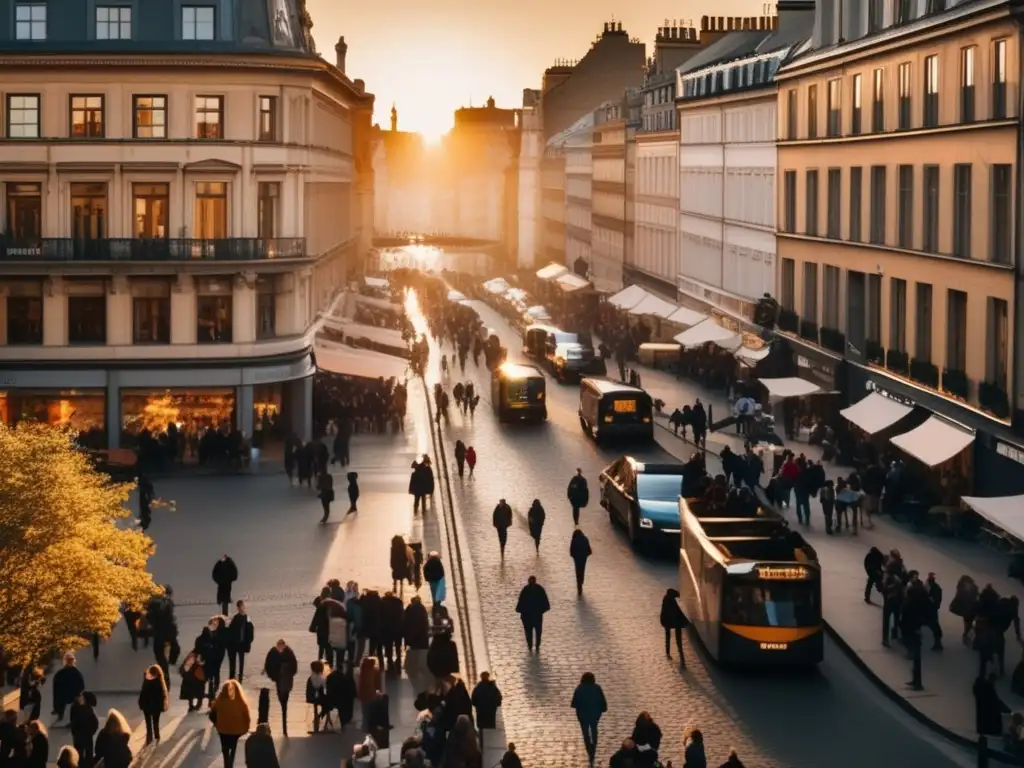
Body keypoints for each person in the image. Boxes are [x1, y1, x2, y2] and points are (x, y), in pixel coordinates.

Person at [211, 680, 251, 768]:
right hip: (236, 730)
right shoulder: (241, 702)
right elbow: (246, 715)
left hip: (223, 729)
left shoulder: (220, 701)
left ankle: (226, 763)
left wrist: (216, 722)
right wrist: (246, 727)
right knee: (233, 747)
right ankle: (231, 762)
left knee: (224, 747)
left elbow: (213, 711)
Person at [570, 672, 607, 765]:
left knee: (585, 733)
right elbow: (603, 701)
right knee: (594, 729)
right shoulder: (597, 688)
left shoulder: (579, 688)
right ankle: (594, 747)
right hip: (595, 714)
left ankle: (589, 749)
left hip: (583, 715)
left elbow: (574, 703)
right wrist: (602, 709)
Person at [263, 639, 298, 737]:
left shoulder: (275, 653)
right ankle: (284, 721)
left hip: (283, 680)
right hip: (282, 680)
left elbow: (268, 666)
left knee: (283, 699)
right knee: (283, 700)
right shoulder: (287, 653)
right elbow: (294, 667)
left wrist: (274, 676)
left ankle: (284, 720)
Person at [403, 596, 432, 695]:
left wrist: (408, 639)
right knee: (421, 665)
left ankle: (419, 686)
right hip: (423, 642)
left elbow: (406, 624)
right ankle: (424, 685)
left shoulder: (410, 609)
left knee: (412, 666)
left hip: (415, 643)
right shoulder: (422, 609)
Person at [515, 576, 550, 653]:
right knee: (535, 631)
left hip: (530, 615)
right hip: (534, 615)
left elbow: (520, 602)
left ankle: (532, 645)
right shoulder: (539, 589)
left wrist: (520, 610)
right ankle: (534, 645)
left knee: (531, 632)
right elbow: (546, 604)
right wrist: (541, 611)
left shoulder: (527, 590)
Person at [471, 672, 502, 755]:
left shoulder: (478, 688)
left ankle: (483, 750)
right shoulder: (492, 687)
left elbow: (473, 701)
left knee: (482, 731)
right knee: (491, 729)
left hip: (481, 714)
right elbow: (499, 699)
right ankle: (491, 748)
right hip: (490, 714)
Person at [138, 665, 169, 745]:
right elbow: (163, 695)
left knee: (148, 723)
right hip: (156, 706)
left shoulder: (147, 681)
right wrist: (162, 706)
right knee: (156, 722)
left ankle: (149, 737)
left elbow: (143, 693)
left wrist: (141, 703)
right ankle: (157, 736)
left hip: (147, 705)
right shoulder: (160, 682)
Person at [974, 670, 1010, 738]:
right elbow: (996, 703)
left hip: (982, 724)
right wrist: (1008, 710)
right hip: (992, 725)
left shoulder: (980, 691)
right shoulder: (989, 690)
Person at [51, 653, 85, 722]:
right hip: (73, 695)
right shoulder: (76, 672)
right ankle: (74, 716)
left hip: (63, 695)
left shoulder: (60, 673)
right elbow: (81, 685)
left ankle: (59, 711)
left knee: (59, 696)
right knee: (77, 701)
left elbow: (56, 687)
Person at [227, 600, 255, 681]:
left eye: (242, 606)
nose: (242, 608)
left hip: (243, 643)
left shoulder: (247, 618)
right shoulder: (236, 618)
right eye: (240, 607)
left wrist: (250, 640)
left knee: (241, 661)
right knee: (235, 661)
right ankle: (233, 677)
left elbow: (251, 629)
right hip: (236, 643)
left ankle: (240, 677)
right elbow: (231, 630)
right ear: (238, 608)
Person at [660, 588, 689, 664]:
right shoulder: (672, 601)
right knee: (678, 640)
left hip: (668, 622)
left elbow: (664, 612)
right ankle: (681, 657)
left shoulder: (666, 599)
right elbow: (678, 612)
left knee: (668, 636)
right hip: (675, 622)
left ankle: (668, 652)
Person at [69, 691, 98, 765]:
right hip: (87, 735)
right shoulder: (88, 710)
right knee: (88, 755)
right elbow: (95, 723)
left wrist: (74, 731)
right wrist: (91, 732)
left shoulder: (75, 707)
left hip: (78, 735)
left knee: (79, 755)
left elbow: (73, 721)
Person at [356, 657, 383, 731]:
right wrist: (379, 693)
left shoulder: (362, 671)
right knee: (371, 711)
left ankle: (364, 726)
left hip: (364, 695)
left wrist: (359, 694)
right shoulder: (375, 671)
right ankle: (371, 726)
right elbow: (378, 684)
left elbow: (360, 684)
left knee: (365, 711)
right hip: (372, 695)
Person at [305, 660, 330, 733]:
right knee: (328, 704)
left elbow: (308, 690)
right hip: (321, 698)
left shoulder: (310, 678)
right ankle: (324, 719)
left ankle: (317, 718)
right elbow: (326, 690)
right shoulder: (322, 678)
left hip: (311, 698)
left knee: (317, 704)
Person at [569, 528, 592, 596]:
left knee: (578, 571)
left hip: (577, 558)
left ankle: (579, 584)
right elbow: (589, 550)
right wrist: (585, 555)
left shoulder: (574, 540)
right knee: (582, 570)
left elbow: (571, 550)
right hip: (583, 558)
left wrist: (574, 556)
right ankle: (581, 582)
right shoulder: (585, 539)